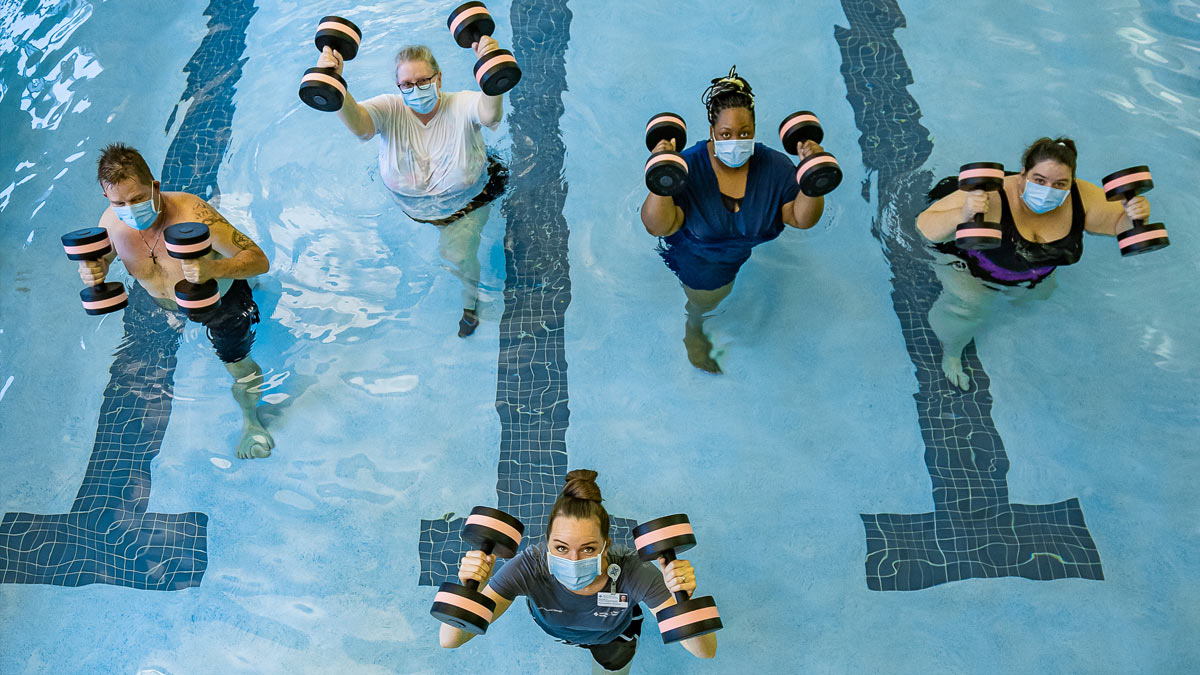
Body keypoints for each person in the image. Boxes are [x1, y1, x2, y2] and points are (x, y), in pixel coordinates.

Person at [80, 143, 274, 459]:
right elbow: (97, 262)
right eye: (120, 203)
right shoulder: (111, 224)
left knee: (240, 368)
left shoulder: (194, 215)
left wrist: (213, 267)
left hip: (221, 302)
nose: (130, 208)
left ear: (155, 187)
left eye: (139, 198)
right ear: (107, 199)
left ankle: (252, 422)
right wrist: (93, 272)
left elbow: (258, 259)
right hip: (162, 304)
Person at [916, 137, 1150, 390]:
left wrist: (1133, 216)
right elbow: (924, 227)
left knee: (1039, 298)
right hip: (971, 267)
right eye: (1039, 180)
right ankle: (951, 354)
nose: (1049, 189)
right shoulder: (991, 196)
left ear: (1072, 182)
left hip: (1037, 271)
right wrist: (962, 215)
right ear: (1022, 174)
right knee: (968, 310)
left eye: (1060, 183)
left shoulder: (1083, 197)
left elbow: (1118, 227)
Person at [641, 67, 827, 373]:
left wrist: (812, 175)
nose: (736, 140)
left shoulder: (775, 167)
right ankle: (695, 327)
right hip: (698, 259)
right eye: (726, 134)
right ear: (712, 130)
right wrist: (663, 175)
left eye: (744, 133)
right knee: (704, 301)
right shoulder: (687, 165)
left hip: (738, 253)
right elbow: (657, 226)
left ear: (754, 128)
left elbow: (800, 219)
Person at [439, 470, 718, 674]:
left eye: (587, 548)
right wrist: (469, 587)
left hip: (614, 637)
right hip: (553, 628)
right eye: (561, 548)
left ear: (606, 546)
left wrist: (683, 594)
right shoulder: (529, 567)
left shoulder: (633, 571)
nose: (573, 559)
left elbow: (706, 652)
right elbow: (450, 640)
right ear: (546, 543)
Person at [319, 39, 507, 338]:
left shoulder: (462, 104)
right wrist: (333, 83)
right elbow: (360, 127)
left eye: (423, 81)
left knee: (456, 257)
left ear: (439, 78)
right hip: (413, 206)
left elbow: (490, 115)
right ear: (398, 85)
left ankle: (470, 304)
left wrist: (491, 69)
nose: (415, 89)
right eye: (407, 84)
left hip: (467, 202)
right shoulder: (389, 109)